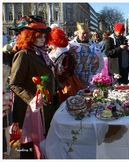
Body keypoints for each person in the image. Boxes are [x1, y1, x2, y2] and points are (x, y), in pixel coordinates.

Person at [9, 17, 58, 159]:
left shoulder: (42, 53)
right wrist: (32, 98)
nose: (43, 39)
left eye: (44, 36)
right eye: (38, 36)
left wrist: (58, 84)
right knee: (29, 146)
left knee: (42, 140)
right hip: (29, 110)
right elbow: (14, 83)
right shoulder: (23, 55)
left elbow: (48, 74)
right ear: (30, 37)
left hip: (46, 105)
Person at [47, 27, 84, 103]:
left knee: (65, 105)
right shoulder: (55, 53)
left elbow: (63, 73)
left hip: (64, 85)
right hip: (59, 84)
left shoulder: (65, 55)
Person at [69, 22, 103, 88]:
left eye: (87, 33)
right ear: (78, 33)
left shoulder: (95, 45)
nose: (85, 35)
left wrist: (96, 75)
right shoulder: (71, 45)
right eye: (83, 33)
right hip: (75, 81)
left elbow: (101, 62)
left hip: (90, 80)